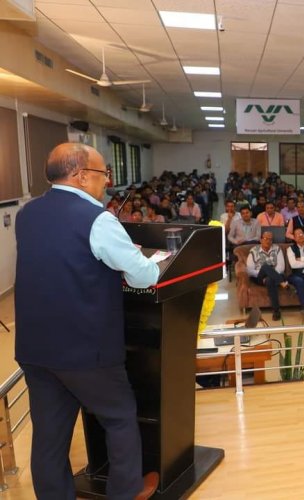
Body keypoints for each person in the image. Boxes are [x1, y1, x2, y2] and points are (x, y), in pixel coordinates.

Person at [15, 143, 159, 500]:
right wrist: (155, 263)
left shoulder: (27, 213)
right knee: (120, 417)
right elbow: (142, 276)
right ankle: (125, 493)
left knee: (49, 436)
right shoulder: (97, 218)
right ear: (80, 175)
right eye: (102, 174)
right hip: (86, 350)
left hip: (36, 349)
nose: (106, 182)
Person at [247, 231, 288, 321]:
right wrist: (265, 272)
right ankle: (282, 283)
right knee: (265, 267)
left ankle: (276, 311)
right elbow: (250, 270)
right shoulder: (254, 250)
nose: (268, 241)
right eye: (265, 238)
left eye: (270, 239)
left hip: (273, 277)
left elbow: (281, 266)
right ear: (261, 240)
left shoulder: (277, 249)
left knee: (269, 280)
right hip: (259, 277)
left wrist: (271, 274)